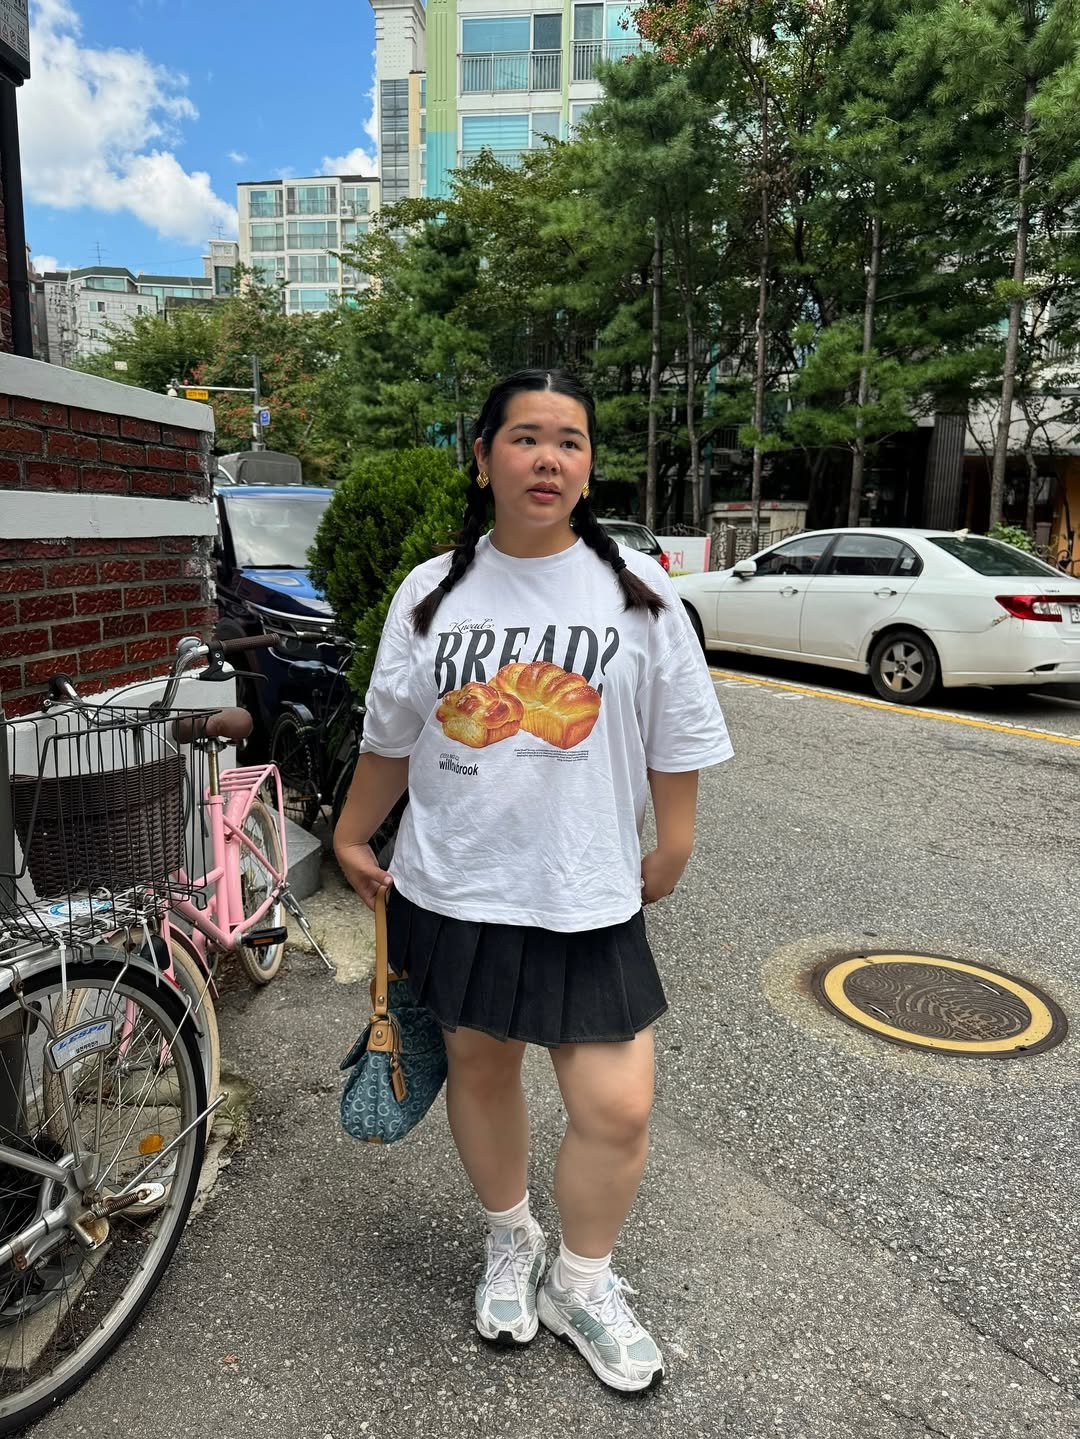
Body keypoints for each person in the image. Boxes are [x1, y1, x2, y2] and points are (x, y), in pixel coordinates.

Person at [335, 369, 733, 1394]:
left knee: (618, 1105)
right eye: (525, 437)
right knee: (480, 1068)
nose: (548, 458)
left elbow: (679, 731)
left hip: (585, 889)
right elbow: (394, 733)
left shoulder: (638, 588)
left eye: (570, 440)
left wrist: (675, 841)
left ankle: (581, 1280)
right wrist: (351, 831)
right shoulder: (432, 589)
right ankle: (509, 1238)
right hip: (459, 882)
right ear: (483, 458)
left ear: (589, 465)